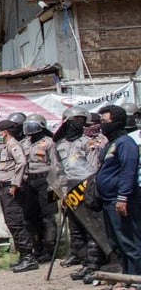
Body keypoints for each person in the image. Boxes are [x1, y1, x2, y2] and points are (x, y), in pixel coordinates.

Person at [54, 106, 108, 279]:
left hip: (86, 186)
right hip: (68, 187)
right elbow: (58, 171)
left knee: (90, 227)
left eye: (81, 120)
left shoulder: (88, 142)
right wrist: (61, 194)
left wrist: (90, 191)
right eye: (74, 120)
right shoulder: (60, 145)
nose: (78, 124)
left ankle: (94, 265)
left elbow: (94, 168)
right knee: (75, 229)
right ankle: (84, 263)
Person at [96, 104, 141, 280]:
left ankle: (135, 280)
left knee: (130, 242)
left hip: (122, 200)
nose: (101, 125)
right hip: (108, 201)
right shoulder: (111, 144)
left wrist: (122, 197)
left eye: (104, 121)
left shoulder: (126, 143)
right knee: (117, 243)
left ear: (116, 122)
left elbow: (128, 171)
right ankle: (125, 278)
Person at [0, 117, 35, 272]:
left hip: (11, 189)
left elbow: (22, 163)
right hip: (4, 189)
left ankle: (28, 257)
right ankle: (22, 256)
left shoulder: (13, 145)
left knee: (16, 222)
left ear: (4, 132)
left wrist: (15, 184)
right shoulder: (6, 146)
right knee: (11, 222)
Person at [21, 113, 61, 264]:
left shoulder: (49, 143)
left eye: (34, 127)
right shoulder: (25, 143)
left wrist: (56, 186)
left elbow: (55, 164)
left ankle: (50, 249)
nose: (31, 130)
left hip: (47, 181)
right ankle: (37, 248)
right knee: (29, 218)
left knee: (48, 217)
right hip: (30, 181)